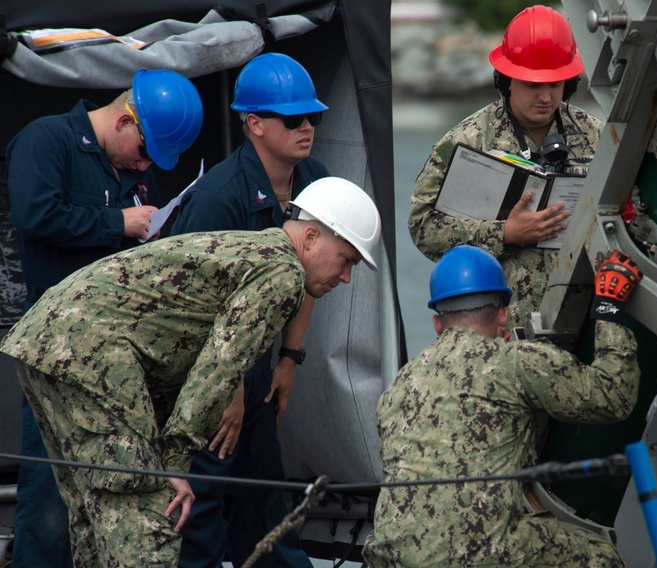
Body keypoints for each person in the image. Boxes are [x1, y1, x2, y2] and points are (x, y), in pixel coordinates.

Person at [0, 178, 382, 568]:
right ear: (312, 236)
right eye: (346, 260)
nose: (347, 277)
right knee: (146, 518)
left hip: (45, 337)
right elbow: (219, 368)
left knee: (96, 512)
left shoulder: (254, 250)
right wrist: (174, 463)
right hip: (90, 350)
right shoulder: (283, 273)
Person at [5, 68, 203, 567]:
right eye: (144, 153)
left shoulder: (132, 167)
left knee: (113, 491)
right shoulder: (46, 140)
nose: (145, 165)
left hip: (118, 354)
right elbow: (36, 214)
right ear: (123, 121)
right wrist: (116, 222)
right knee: (51, 493)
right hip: (57, 348)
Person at [364, 244, 643, 567]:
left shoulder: (399, 386)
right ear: (504, 313)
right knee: (602, 559)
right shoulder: (515, 362)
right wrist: (608, 307)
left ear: (438, 324)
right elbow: (613, 395)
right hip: (475, 554)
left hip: (389, 554)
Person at [170, 52, 330, 568]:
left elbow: (311, 278)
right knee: (206, 489)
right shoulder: (219, 198)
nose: (307, 127)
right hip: (207, 365)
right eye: (292, 119)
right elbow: (199, 308)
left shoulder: (316, 182)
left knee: (265, 491)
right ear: (254, 124)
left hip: (260, 361)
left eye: (314, 117)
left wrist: (289, 360)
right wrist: (230, 391)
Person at [408, 5, 604, 329]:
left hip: (579, 326)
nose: (546, 96)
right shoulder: (467, 141)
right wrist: (505, 234)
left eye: (555, 84)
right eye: (533, 85)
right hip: (496, 338)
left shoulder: (598, 137)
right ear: (507, 79)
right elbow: (423, 227)